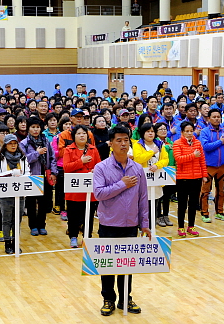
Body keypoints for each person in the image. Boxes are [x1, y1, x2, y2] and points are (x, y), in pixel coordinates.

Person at [93, 125, 151, 316]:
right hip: (109, 223)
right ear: (110, 144)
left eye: (126, 139)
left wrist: (145, 224)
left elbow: (143, 197)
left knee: (127, 264)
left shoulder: (138, 169)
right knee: (108, 264)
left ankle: (125, 298)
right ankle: (108, 299)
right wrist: (122, 184)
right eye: (119, 140)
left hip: (130, 224)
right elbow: (99, 193)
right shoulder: (101, 167)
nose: (123, 143)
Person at [63, 125, 101, 248]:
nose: (82, 135)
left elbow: (99, 166)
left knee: (89, 215)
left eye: (84, 133)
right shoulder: (69, 149)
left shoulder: (93, 149)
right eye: (79, 133)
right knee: (73, 215)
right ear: (74, 136)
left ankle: (87, 237)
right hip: (74, 189)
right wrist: (81, 162)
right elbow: (66, 168)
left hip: (89, 189)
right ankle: (73, 237)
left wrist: (95, 170)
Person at [0, 134, 30, 254]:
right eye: (10, 143)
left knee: (17, 220)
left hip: (19, 193)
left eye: (15, 143)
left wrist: (20, 176)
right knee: (6, 220)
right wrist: (12, 173)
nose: (13, 145)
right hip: (5, 194)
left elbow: (28, 174)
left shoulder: (23, 158)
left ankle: (15, 242)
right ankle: (7, 243)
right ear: (5, 145)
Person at [20, 117, 57, 236]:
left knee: (44, 202)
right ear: (28, 129)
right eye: (33, 127)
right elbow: (23, 160)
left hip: (45, 175)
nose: (35, 130)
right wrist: (37, 153)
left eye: (37, 127)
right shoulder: (24, 143)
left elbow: (52, 158)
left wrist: (53, 172)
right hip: (31, 176)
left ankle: (42, 225)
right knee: (31, 202)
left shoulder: (45, 141)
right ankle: (33, 226)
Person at [173, 121, 208, 237]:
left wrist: (204, 175)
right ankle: (181, 227)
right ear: (182, 132)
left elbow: (202, 160)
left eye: (191, 131)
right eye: (186, 131)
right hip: (183, 178)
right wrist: (193, 155)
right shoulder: (177, 143)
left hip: (196, 178)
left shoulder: (197, 143)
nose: (189, 133)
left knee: (193, 204)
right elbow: (178, 159)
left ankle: (191, 226)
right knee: (182, 204)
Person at [133, 123, 168, 227]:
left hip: (155, 179)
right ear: (143, 133)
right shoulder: (137, 145)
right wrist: (151, 152)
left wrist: (157, 165)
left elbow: (165, 160)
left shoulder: (160, 144)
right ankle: (142, 229)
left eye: (152, 131)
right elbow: (138, 159)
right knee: (143, 207)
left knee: (155, 205)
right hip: (142, 180)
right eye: (148, 131)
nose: (150, 133)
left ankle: (152, 230)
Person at [199, 109, 224, 223]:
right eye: (214, 117)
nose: (217, 119)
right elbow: (205, 146)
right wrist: (220, 142)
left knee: (221, 191)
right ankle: (205, 213)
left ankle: (220, 212)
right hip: (209, 166)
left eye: (218, 117)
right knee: (205, 191)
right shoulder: (205, 131)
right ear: (209, 118)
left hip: (222, 165)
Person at [154, 122, 175, 226]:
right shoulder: (155, 142)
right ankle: (158, 216)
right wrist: (168, 148)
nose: (163, 131)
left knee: (167, 195)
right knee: (159, 195)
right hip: (159, 171)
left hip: (169, 171)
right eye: (160, 129)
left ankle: (166, 215)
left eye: (165, 129)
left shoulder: (169, 141)